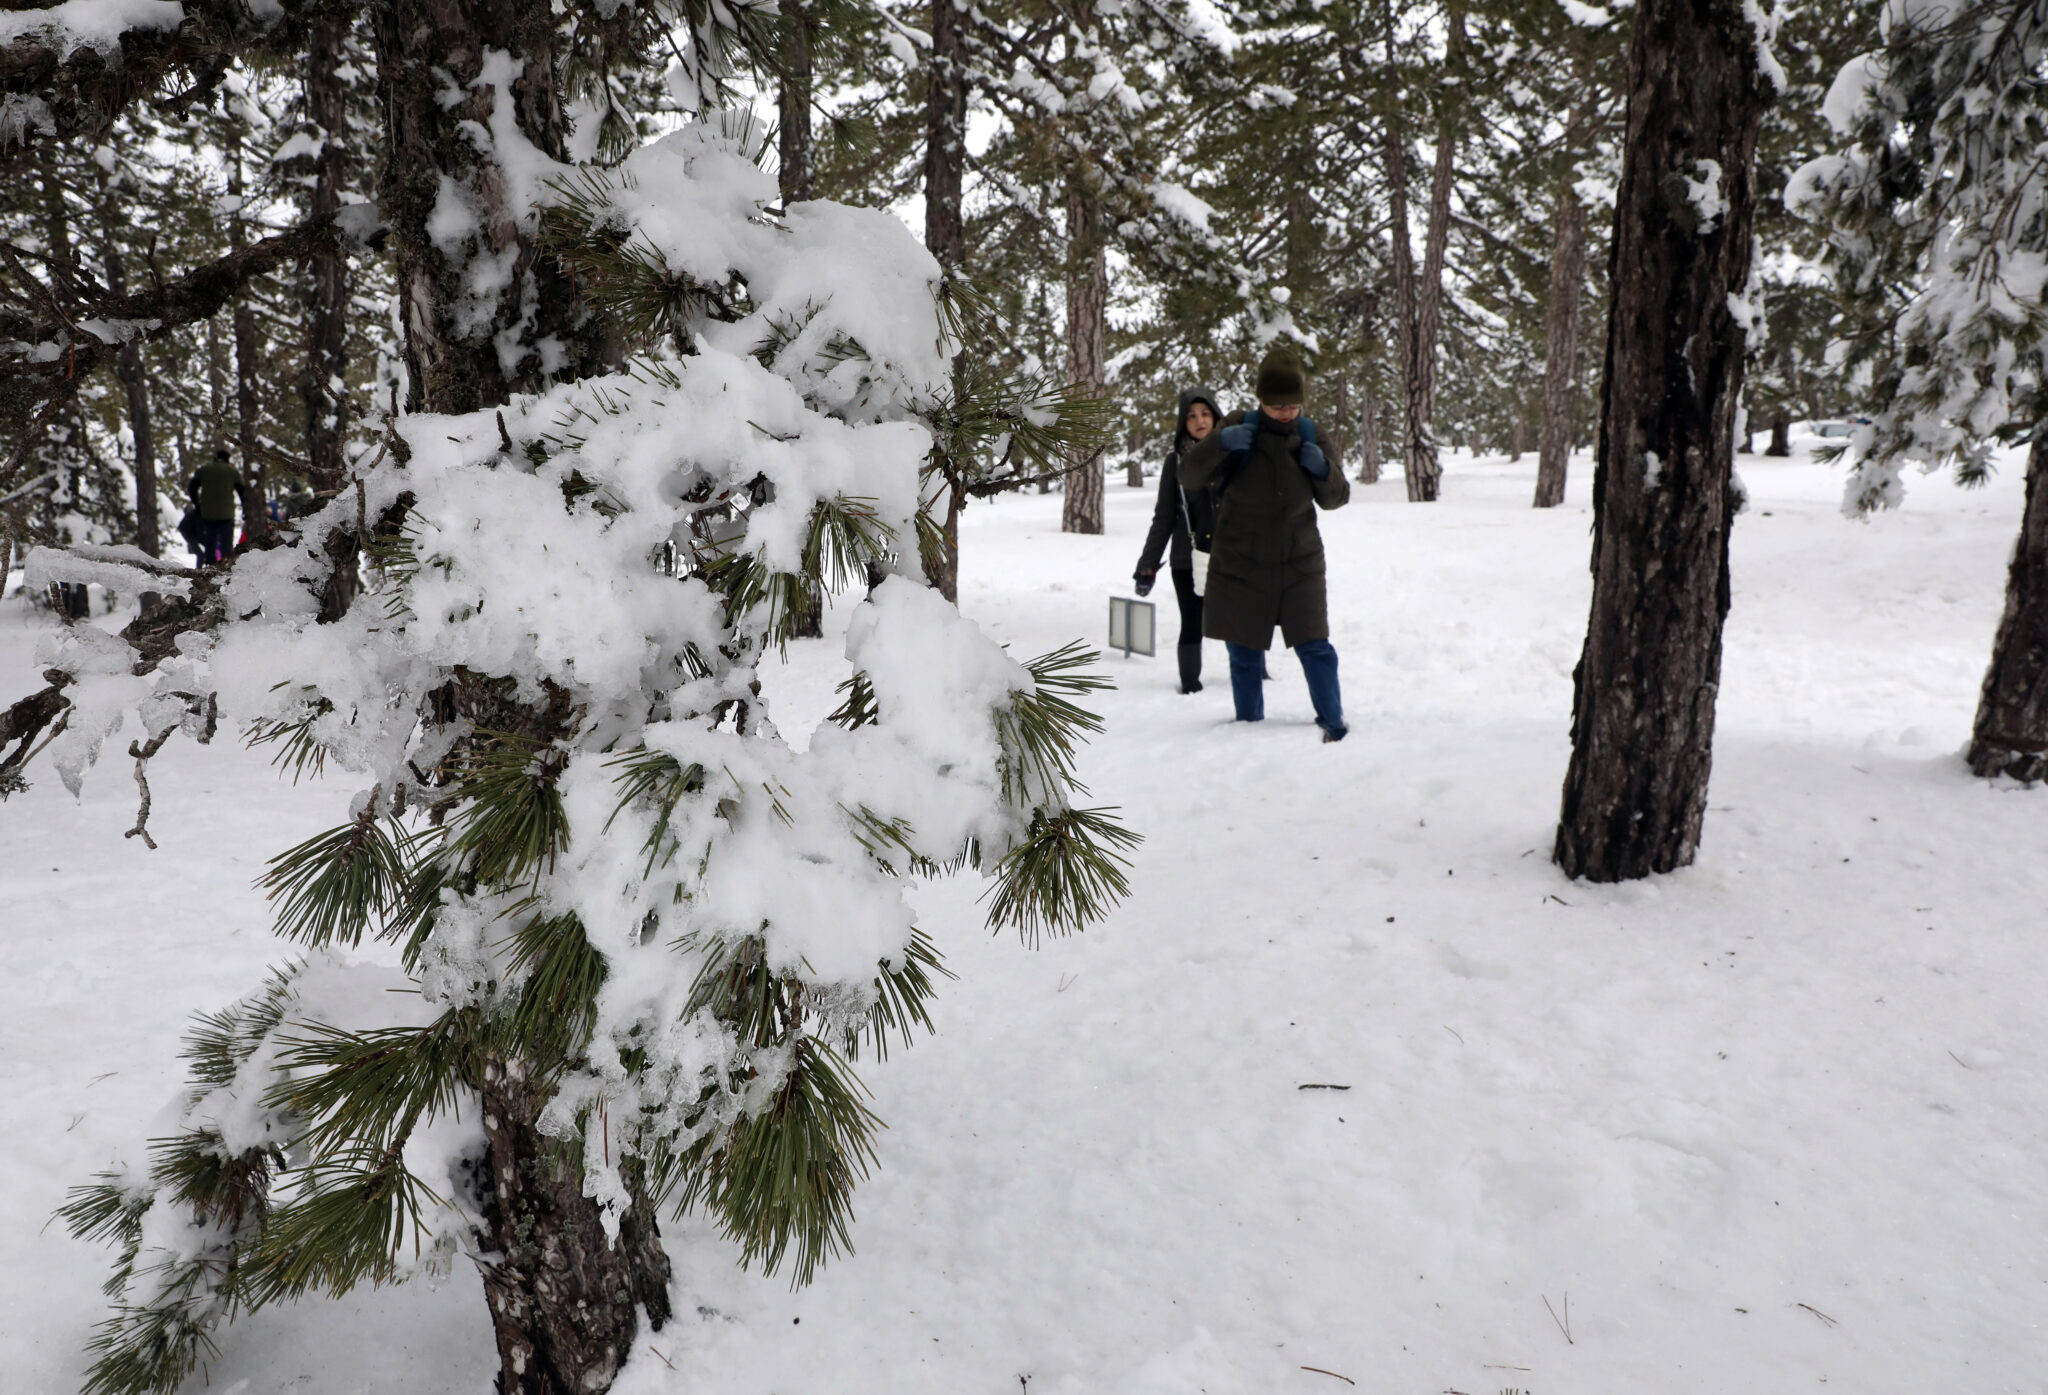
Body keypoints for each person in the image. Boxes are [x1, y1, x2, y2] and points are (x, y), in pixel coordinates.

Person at [1177, 348, 1350, 741]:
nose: (1286, 412)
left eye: (1293, 404)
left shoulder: (1311, 434)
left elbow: (1337, 497)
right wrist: (1220, 443)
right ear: (1260, 400)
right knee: (1244, 652)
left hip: (1299, 561)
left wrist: (1322, 469)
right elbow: (1189, 475)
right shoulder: (1239, 426)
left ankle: (1334, 725)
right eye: (1276, 405)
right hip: (1241, 561)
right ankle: (1248, 730)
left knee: (1316, 647)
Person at [1133, 387, 1223, 693]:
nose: (1199, 421)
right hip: (1188, 555)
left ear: (1215, 416)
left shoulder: (1233, 452)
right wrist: (1147, 565)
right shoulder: (1176, 462)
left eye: (1205, 413)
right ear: (1182, 423)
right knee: (1193, 620)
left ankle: (1254, 674)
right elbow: (1164, 516)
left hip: (1231, 552)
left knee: (1242, 616)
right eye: (1192, 415)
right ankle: (1190, 687)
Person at [187, 446, 240, 564]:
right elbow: (241, 491)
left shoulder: (203, 470)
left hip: (208, 515)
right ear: (227, 459)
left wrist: (197, 505)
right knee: (226, 545)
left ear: (215, 458)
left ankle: (211, 570)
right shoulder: (232, 471)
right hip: (227, 514)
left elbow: (192, 488)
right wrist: (246, 509)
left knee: (210, 545)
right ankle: (227, 569)